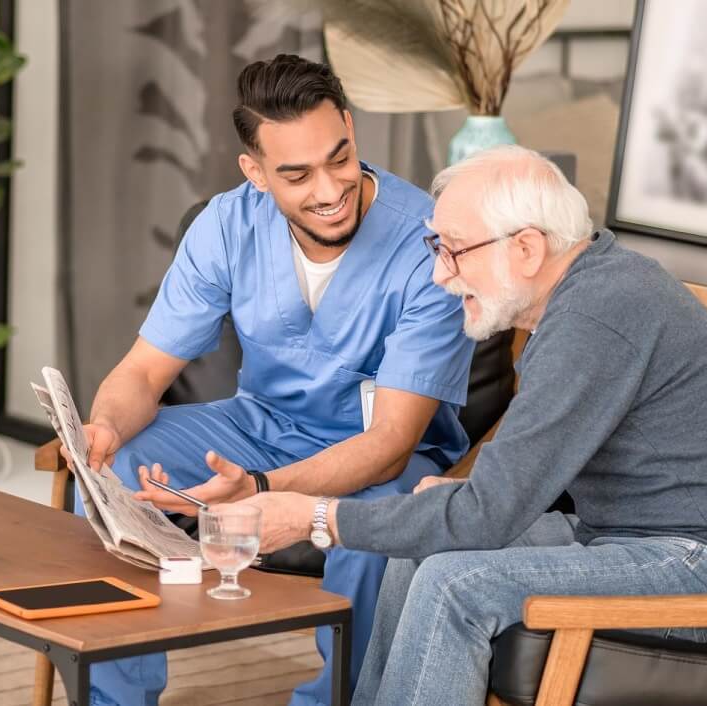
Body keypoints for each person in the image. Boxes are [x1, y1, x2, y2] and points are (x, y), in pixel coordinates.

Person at [241, 144, 707, 705]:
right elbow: (512, 484)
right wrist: (461, 499)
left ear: (527, 248)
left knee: (453, 583)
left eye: (454, 251)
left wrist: (314, 516)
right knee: (417, 548)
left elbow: (490, 514)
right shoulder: (588, 291)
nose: (440, 275)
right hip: (624, 532)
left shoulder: (593, 318)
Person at [71, 54, 476, 706]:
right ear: (254, 173)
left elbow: (391, 442)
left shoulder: (426, 242)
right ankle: (114, 699)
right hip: (259, 426)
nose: (327, 189)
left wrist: (258, 491)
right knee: (114, 468)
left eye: (338, 158)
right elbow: (144, 370)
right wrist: (104, 427)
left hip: (381, 457)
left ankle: (337, 701)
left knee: (375, 525)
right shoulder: (227, 225)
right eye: (296, 173)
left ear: (348, 125)